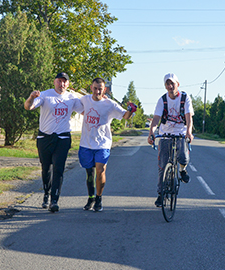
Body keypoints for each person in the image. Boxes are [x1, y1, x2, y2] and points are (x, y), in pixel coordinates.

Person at [24, 72, 83, 213]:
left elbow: (87, 110)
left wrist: (101, 101)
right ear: (54, 82)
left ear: (68, 84)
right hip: (45, 138)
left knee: (58, 168)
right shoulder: (45, 95)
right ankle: (46, 192)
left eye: (64, 81)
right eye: (59, 81)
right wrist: (31, 97)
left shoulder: (71, 98)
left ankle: (54, 200)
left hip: (63, 138)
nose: (62, 84)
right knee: (46, 168)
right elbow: (28, 107)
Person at [79, 77, 136, 212]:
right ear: (91, 88)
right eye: (95, 88)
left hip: (102, 144)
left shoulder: (110, 104)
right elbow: (71, 104)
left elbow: (125, 116)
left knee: (100, 171)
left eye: (100, 89)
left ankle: (99, 198)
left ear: (104, 90)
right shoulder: (84, 100)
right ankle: (91, 197)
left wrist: (131, 109)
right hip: (86, 143)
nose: (98, 91)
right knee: (89, 174)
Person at [147, 73, 194, 207]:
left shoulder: (185, 98)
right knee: (162, 165)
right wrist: (152, 132)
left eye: (172, 83)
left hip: (180, 132)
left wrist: (189, 132)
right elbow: (156, 118)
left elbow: (188, 117)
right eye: (167, 84)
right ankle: (161, 195)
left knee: (183, 157)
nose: (170, 86)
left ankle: (182, 170)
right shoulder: (162, 99)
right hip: (165, 133)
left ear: (177, 84)